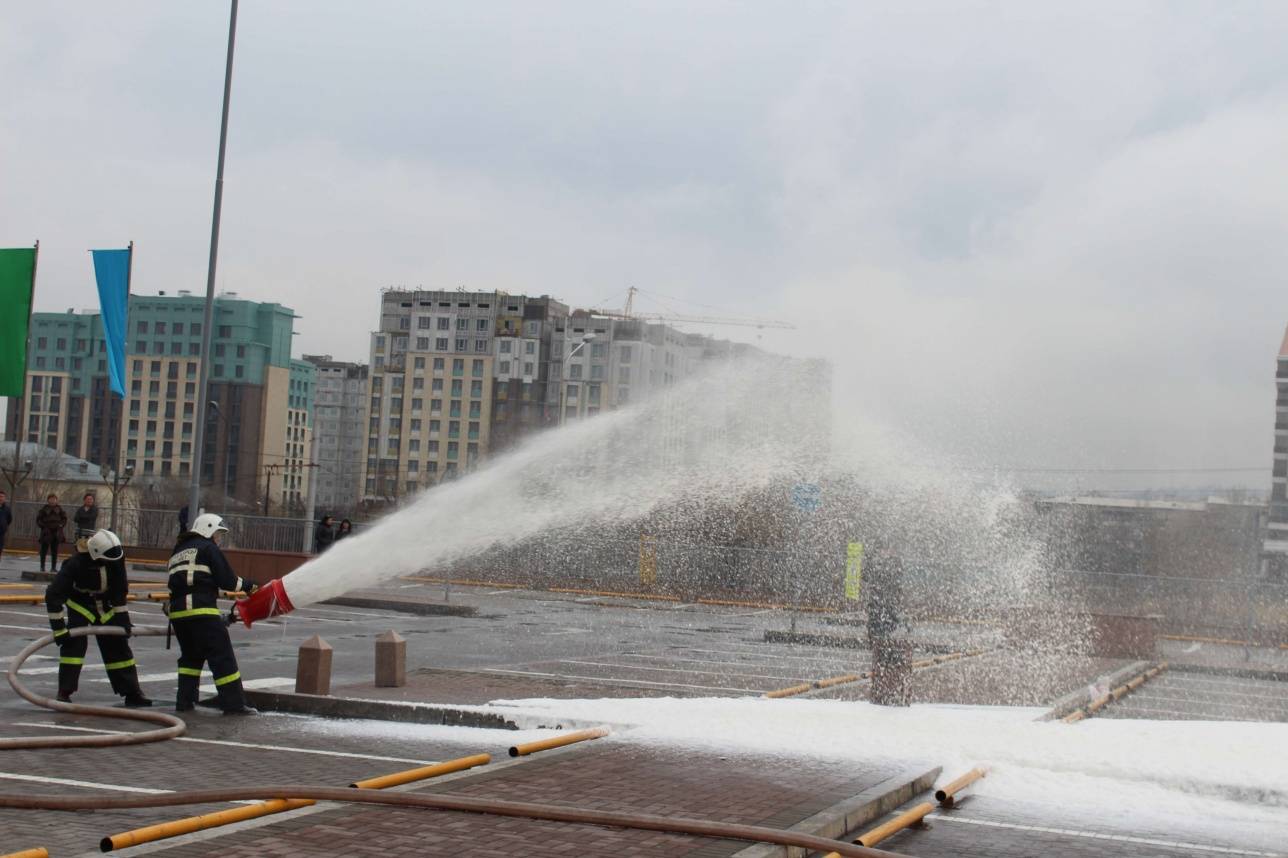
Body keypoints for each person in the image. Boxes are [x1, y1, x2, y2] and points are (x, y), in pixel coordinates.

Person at [44, 529, 152, 707]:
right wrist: (59, 629)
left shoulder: (116, 559)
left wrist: (123, 620)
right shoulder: (75, 564)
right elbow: (53, 595)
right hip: (80, 605)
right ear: (94, 553)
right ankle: (64, 691)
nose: (113, 560)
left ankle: (132, 692)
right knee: (74, 645)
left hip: (105, 606)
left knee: (118, 646)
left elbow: (119, 590)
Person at [167, 513, 258, 715]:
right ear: (207, 529)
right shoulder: (208, 548)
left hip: (179, 614)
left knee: (190, 658)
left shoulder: (178, 551)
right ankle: (233, 705)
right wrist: (250, 587)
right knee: (222, 657)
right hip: (202, 611)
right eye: (217, 533)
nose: (219, 538)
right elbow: (228, 580)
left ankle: (185, 702)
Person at [36, 493, 67, 572]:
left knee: (55, 550)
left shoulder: (60, 509)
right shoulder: (44, 509)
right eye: (51, 499)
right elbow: (39, 519)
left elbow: (64, 519)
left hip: (56, 531)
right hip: (46, 531)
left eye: (54, 499)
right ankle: (42, 567)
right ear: (48, 500)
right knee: (44, 550)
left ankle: (53, 567)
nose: (52, 501)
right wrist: (43, 526)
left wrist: (61, 525)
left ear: (56, 500)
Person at [0, 490, 12, 561]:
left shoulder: (7, 509)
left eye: (2, 497)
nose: (0, 498)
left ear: (4, 498)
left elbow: (9, 519)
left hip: (1, 533)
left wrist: (4, 525)